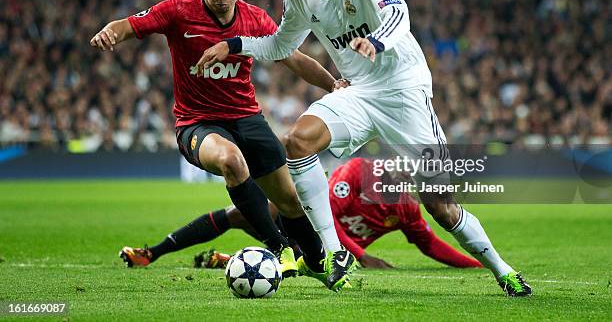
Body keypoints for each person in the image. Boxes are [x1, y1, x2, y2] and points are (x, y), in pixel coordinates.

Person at [195, 0, 532, 296]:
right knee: (297, 142)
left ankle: (503, 271)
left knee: (442, 208)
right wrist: (236, 44)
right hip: (358, 92)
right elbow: (279, 46)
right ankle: (334, 253)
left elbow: (399, 13)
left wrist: (377, 41)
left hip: (404, 90)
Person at [90, 0, 353, 291]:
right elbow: (129, 24)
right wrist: (111, 32)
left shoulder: (254, 18)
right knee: (231, 161)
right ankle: (279, 248)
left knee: (290, 201)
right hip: (197, 123)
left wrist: (333, 82)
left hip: (248, 120)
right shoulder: (178, 12)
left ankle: (318, 263)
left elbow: (294, 58)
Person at [121, 158, 482, 272]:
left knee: (299, 259)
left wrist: (476, 265)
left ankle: (236, 260)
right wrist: (363, 256)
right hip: (313, 235)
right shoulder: (356, 173)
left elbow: (430, 244)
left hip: (326, 256)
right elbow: (324, 219)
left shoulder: (405, 209)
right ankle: (153, 252)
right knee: (242, 212)